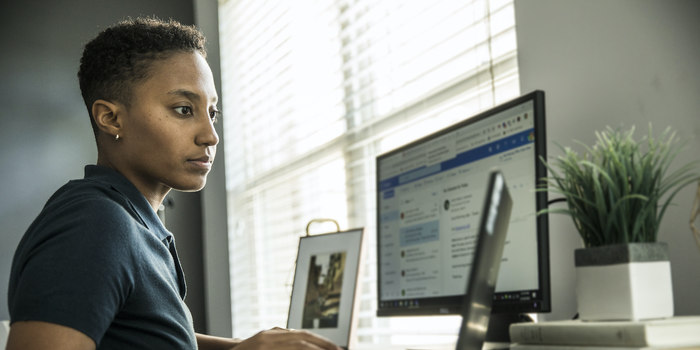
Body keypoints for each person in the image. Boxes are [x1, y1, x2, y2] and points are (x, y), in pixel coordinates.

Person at [6, 17, 341, 350]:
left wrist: (239, 347)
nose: (210, 136)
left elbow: (143, 333)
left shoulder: (132, 222)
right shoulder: (95, 224)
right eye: (183, 109)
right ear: (110, 118)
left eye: (212, 113)